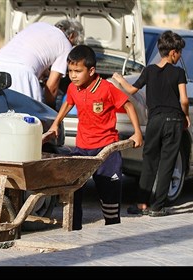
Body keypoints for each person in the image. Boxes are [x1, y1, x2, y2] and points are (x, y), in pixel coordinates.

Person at [48, 45, 143, 229]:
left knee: (109, 195)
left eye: (77, 71)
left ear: (91, 71)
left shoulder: (106, 88)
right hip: (82, 148)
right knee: (75, 191)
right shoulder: (73, 88)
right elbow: (68, 103)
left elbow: (129, 106)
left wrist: (137, 132)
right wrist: (55, 123)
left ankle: (112, 229)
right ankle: (74, 230)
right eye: (70, 71)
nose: (73, 75)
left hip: (106, 150)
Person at [112, 30, 191, 217]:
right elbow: (184, 100)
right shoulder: (179, 73)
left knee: (149, 162)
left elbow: (131, 89)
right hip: (173, 121)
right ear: (173, 52)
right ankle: (157, 206)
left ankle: (141, 204)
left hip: (154, 121)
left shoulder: (149, 71)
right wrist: (186, 116)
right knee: (167, 163)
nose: (180, 57)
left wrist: (119, 79)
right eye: (179, 53)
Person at [0, 19, 84, 109]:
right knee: (25, 121)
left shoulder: (38, 25)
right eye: (73, 44)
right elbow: (51, 87)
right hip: (21, 76)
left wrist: (44, 72)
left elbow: (34, 53)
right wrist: (51, 110)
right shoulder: (65, 44)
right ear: (72, 36)